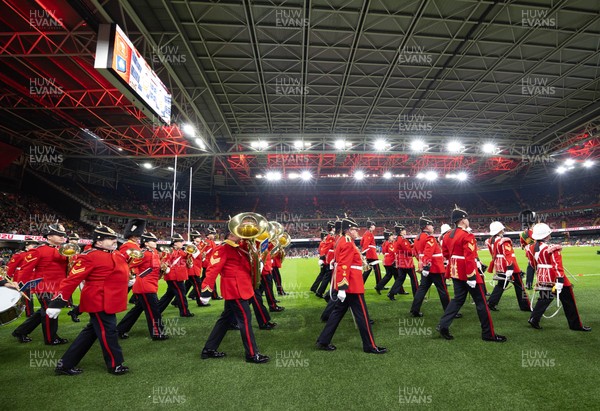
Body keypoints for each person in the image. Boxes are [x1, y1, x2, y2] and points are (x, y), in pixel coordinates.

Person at [47, 223, 131, 375]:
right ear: (98, 241)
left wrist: (128, 280)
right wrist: (57, 302)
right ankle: (115, 364)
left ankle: (65, 365)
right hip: (98, 300)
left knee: (91, 332)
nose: (114, 241)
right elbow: (72, 279)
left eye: (114, 238)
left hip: (109, 299)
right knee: (109, 331)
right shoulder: (89, 257)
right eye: (110, 238)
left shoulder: (115, 253)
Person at [316, 216, 387, 354]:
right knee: (363, 316)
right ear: (348, 230)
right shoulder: (348, 242)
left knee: (337, 313)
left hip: (348, 285)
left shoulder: (342, 240)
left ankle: (323, 340)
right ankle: (370, 345)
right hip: (352, 286)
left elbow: (337, 260)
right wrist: (342, 287)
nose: (357, 232)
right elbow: (343, 265)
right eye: (355, 230)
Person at [437, 206, 506, 342]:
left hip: (455, 271)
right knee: (481, 303)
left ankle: (443, 325)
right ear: (462, 220)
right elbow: (469, 257)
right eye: (466, 218)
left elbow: (445, 254)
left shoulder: (447, 235)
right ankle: (488, 334)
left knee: (458, 300)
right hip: (468, 272)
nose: (468, 221)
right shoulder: (467, 235)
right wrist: (472, 276)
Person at [199, 229, 269, 363]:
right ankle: (252, 354)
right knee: (245, 321)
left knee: (225, 320)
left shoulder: (240, 247)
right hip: (235, 290)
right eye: (238, 233)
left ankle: (209, 349)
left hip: (242, 288)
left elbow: (246, 264)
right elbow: (213, 269)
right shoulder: (223, 248)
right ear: (230, 235)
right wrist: (206, 290)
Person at [12, 224, 69, 345]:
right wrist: (20, 285)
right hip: (44, 287)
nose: (62, 237)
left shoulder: (63, 250)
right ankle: (51, 339)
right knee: (50, 311)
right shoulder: (39, 251)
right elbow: (25, 269)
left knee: (43, 312)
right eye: (59, 235)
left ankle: (21, 331)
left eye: (63, 235)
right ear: (49, 236)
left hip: (58, 287)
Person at [527, 223, 591, 332]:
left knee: (544, 299)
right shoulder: (551, 248)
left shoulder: (531, 248)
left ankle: (534, 318)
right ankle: (575, 325)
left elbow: (533, 265)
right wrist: (560, 281)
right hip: (554, 278)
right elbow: (557, 266)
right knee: (569, 302)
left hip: (542, 277)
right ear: (546, 235)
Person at [117, 232, 169, 340]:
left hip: (151, 284)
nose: (155, 243)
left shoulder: (154, 252)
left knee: (136, 311)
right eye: (153, 241)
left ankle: (120, 329)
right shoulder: (143, 253)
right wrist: (131, 275)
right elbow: (130, 264)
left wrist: (163, 268)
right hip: (144, 286)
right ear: (146, 243)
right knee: (153, 311)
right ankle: (157, 333)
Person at [410, 216, 455, 318]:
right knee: (443, 289)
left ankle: (414, 309)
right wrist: (426, 266)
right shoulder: (429, 238)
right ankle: (449, 311)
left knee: (422, 289)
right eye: (431, 225)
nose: (433, 227)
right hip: (435, 267)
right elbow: (428, 253)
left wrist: (423, 265)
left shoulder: (417, 238)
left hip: (426, 267)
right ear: (426, 226)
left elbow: (416, 253)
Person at [485, 221, 530, 312]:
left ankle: (491, 302)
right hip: (508, 265)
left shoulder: (490, 241)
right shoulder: (504, 241)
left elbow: (492, 254)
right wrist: (510, 267)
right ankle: (524, 305)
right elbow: (508, 254)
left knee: (501, 284)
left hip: (499, 265)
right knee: (519, 286)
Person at [157, 233, 193, 317]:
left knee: (169, 295)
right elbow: (164, 263)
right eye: (180, 242)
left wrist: (189, 254)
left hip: (179, 276)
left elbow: (186, 258)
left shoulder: (180, 251)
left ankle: (157, 310)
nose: (182, 243)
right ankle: (184, 312)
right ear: (175, 243)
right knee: (181, 294)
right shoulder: (169, 251)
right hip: (174, 276)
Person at [7, 237, 38, 317]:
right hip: (22, 278)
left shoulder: (35, 253)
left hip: (33, 277)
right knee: (26, 296)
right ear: (26, 246)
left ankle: (30, 311)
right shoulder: (19, 255)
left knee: (31, 295)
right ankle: (29, 313)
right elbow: (11, 267)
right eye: (33, 245)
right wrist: (8, 276)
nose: (35, 246)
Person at [388, 223, 416, 300]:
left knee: (400, 279)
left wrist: (412, 245)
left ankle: (391, 293)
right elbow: (408, 251)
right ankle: (417, 295)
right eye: (403, 230)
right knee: (414, 279)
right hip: (407, 262)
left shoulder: (396, 239)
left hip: (401, 262)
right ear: (400, 231)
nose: (405, 231)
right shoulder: (403, 240)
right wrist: (414, 250)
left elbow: (403, 249)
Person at [519, 210, 536, 290]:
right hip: (540, 251)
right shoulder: (537, 231)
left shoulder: (524, 234)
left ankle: (528, 284)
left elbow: (522, 245)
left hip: (530, 254)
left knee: (531, 268)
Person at [375, 229, 397, 293]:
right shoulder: (389, 243)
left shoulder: (384, 243)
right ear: (388, 237)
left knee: (388, 275)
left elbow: (384, 252)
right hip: (390, 261)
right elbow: (392, 251)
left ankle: (379, 286)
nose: (393, 237)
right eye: (391, 236)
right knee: (398, 277)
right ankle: (395, 291)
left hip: (386, 260)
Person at [361, 219, 382, 285]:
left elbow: (362, 243)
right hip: (371, 254)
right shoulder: (369, 234)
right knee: (377, 270)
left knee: (368, 270)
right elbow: (365, 244)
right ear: (370, 226)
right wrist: (365, 253)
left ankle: (360, 283)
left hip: (369, 253)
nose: (374, 226)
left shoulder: (366, 233)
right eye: (373, 225)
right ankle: (379, 285)